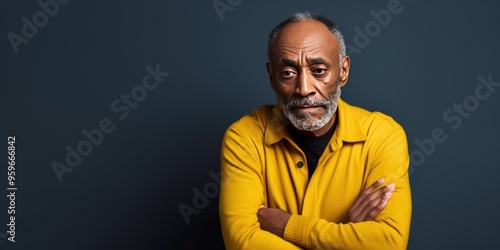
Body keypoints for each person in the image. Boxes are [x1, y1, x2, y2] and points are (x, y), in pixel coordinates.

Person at [219, 11, 411, 249]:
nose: (304, 88)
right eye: (288, 73)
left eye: (319, 70)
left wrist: (290, 226)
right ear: (271, 77)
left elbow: (389, 243)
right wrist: (346, 237)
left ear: (344, 71)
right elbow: (242, 242)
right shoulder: (244, 137)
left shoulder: (382, 135)